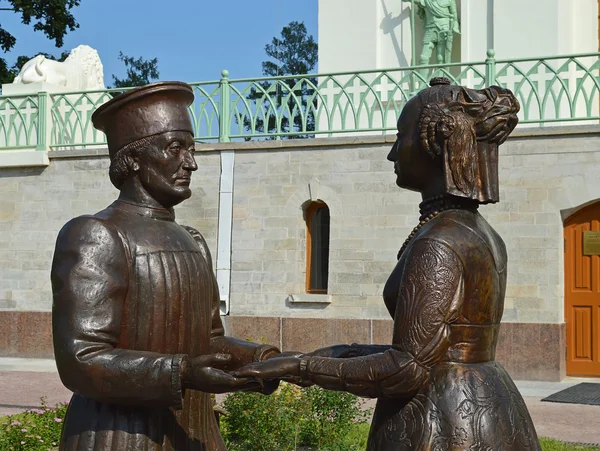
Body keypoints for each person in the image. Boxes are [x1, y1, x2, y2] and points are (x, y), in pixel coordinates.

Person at [235, 78, 541, 450]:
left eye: (401, 136)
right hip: (488, 403)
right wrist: (317, 356)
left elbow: (406, 368)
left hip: (440, 420)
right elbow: (430, 348)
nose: (393, 153)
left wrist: (301, 368)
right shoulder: (479, 232)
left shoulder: (439, 242)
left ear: (434, 143)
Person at [51, 82, 280, 450]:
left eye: (191, 149)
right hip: (118, 436)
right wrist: (182, 372)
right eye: (175, 148)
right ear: (134, 157)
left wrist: (263, 358)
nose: (191, 162)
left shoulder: (192, 240)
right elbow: (81, 359)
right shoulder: (95, 234)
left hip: (193, 434)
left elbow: (210, 339)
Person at [403, 0, 460, 66]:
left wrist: (455, 28)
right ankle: (422, 76)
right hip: (430, 29)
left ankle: (442, 76)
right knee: (423, 58)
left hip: (444, 29)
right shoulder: (426, 1)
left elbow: (454, 17)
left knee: (441, 58)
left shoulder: (450, 1)